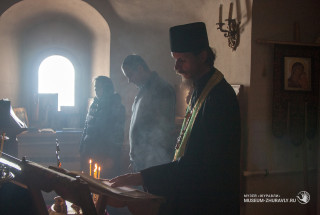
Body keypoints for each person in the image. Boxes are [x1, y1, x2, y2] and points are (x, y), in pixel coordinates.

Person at [110, 22, 241, 215]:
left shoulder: (219, 96)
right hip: (192, 191)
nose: (176, 67)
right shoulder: (200, 89)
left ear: (203, 56)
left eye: (182, 60)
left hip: (209, 200)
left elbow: (198, 162)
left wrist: (139, 177)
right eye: (175, 59)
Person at [121, 54, 176, 172]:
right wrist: (134, 159)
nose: (129, 80)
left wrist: (149, 163)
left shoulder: (162, 89)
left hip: (154, 162)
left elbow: (163, 131)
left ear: (140, 69)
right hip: (141, 161)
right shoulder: (143, 90)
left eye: (130, 75)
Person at [80, 76, 125, 178]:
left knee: (104, 183)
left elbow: (118, 133)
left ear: (106, 88)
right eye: (95, 87)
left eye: (98, 87)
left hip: (105, 154)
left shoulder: (116, 106)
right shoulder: (94, 105)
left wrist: (112, 156)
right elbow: (87, 127)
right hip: (90, 151)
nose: (95, 89)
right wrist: (82, 148)